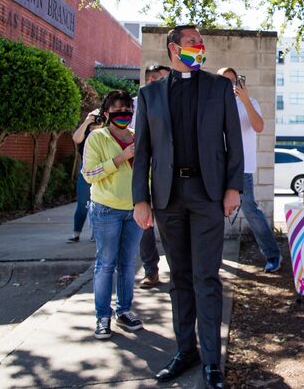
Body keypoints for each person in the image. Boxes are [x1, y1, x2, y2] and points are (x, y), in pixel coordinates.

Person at [133, 25, 243, 389]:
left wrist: (233, 188)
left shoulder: (219, 87)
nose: (200, 47)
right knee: (179, 278)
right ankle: (186, 350)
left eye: (201, 43)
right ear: (174, 49)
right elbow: (144, 152)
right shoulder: (149, 95)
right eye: (193, 42)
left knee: (205, 278)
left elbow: (234, 142)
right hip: (167, 197)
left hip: (208, 194)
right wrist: (140, 200)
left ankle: (212, 361)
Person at [81, 89, 144, 339]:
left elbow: (146, 174)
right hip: (105, 210)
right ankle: (102, 316)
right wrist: (120, 158)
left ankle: (124, 310)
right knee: (106, 264)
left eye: (128, 110)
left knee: (127, 265)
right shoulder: (97, 138)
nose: (124, 114)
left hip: (133, 211)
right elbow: (89, 175)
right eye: (117, 111)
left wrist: (145, 201)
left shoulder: (138, 137)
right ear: (106, 113)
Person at [217, 67, 281, 272]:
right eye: (223, 81)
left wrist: (244, 100)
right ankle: (211, 256)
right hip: (216, 168)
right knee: (212, 214)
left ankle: (273, 255)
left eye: (232, 81)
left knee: (250, 211)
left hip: (241, 169)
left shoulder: (249, 103)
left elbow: (259, 127)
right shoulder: (212, 104)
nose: (229, 85)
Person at [135, 64, 171, 289]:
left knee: (171, 231)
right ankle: (151, 271)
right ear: (150, 81)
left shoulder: (170, 105)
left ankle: (178, 270)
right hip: (142, 175)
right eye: (162, 80)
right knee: (145, 228)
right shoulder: (136, 102)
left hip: (166, 178)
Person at [68, 108, 102, 243]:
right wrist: (87, 121)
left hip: (102, 170)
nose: (96, 120)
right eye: (95, 117)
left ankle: (96, 233)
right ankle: (76, 233)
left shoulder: (106, 133)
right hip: (86, 171)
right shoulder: (85, 133)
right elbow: (76, 139)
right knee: (83, 203)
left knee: (99, 203)